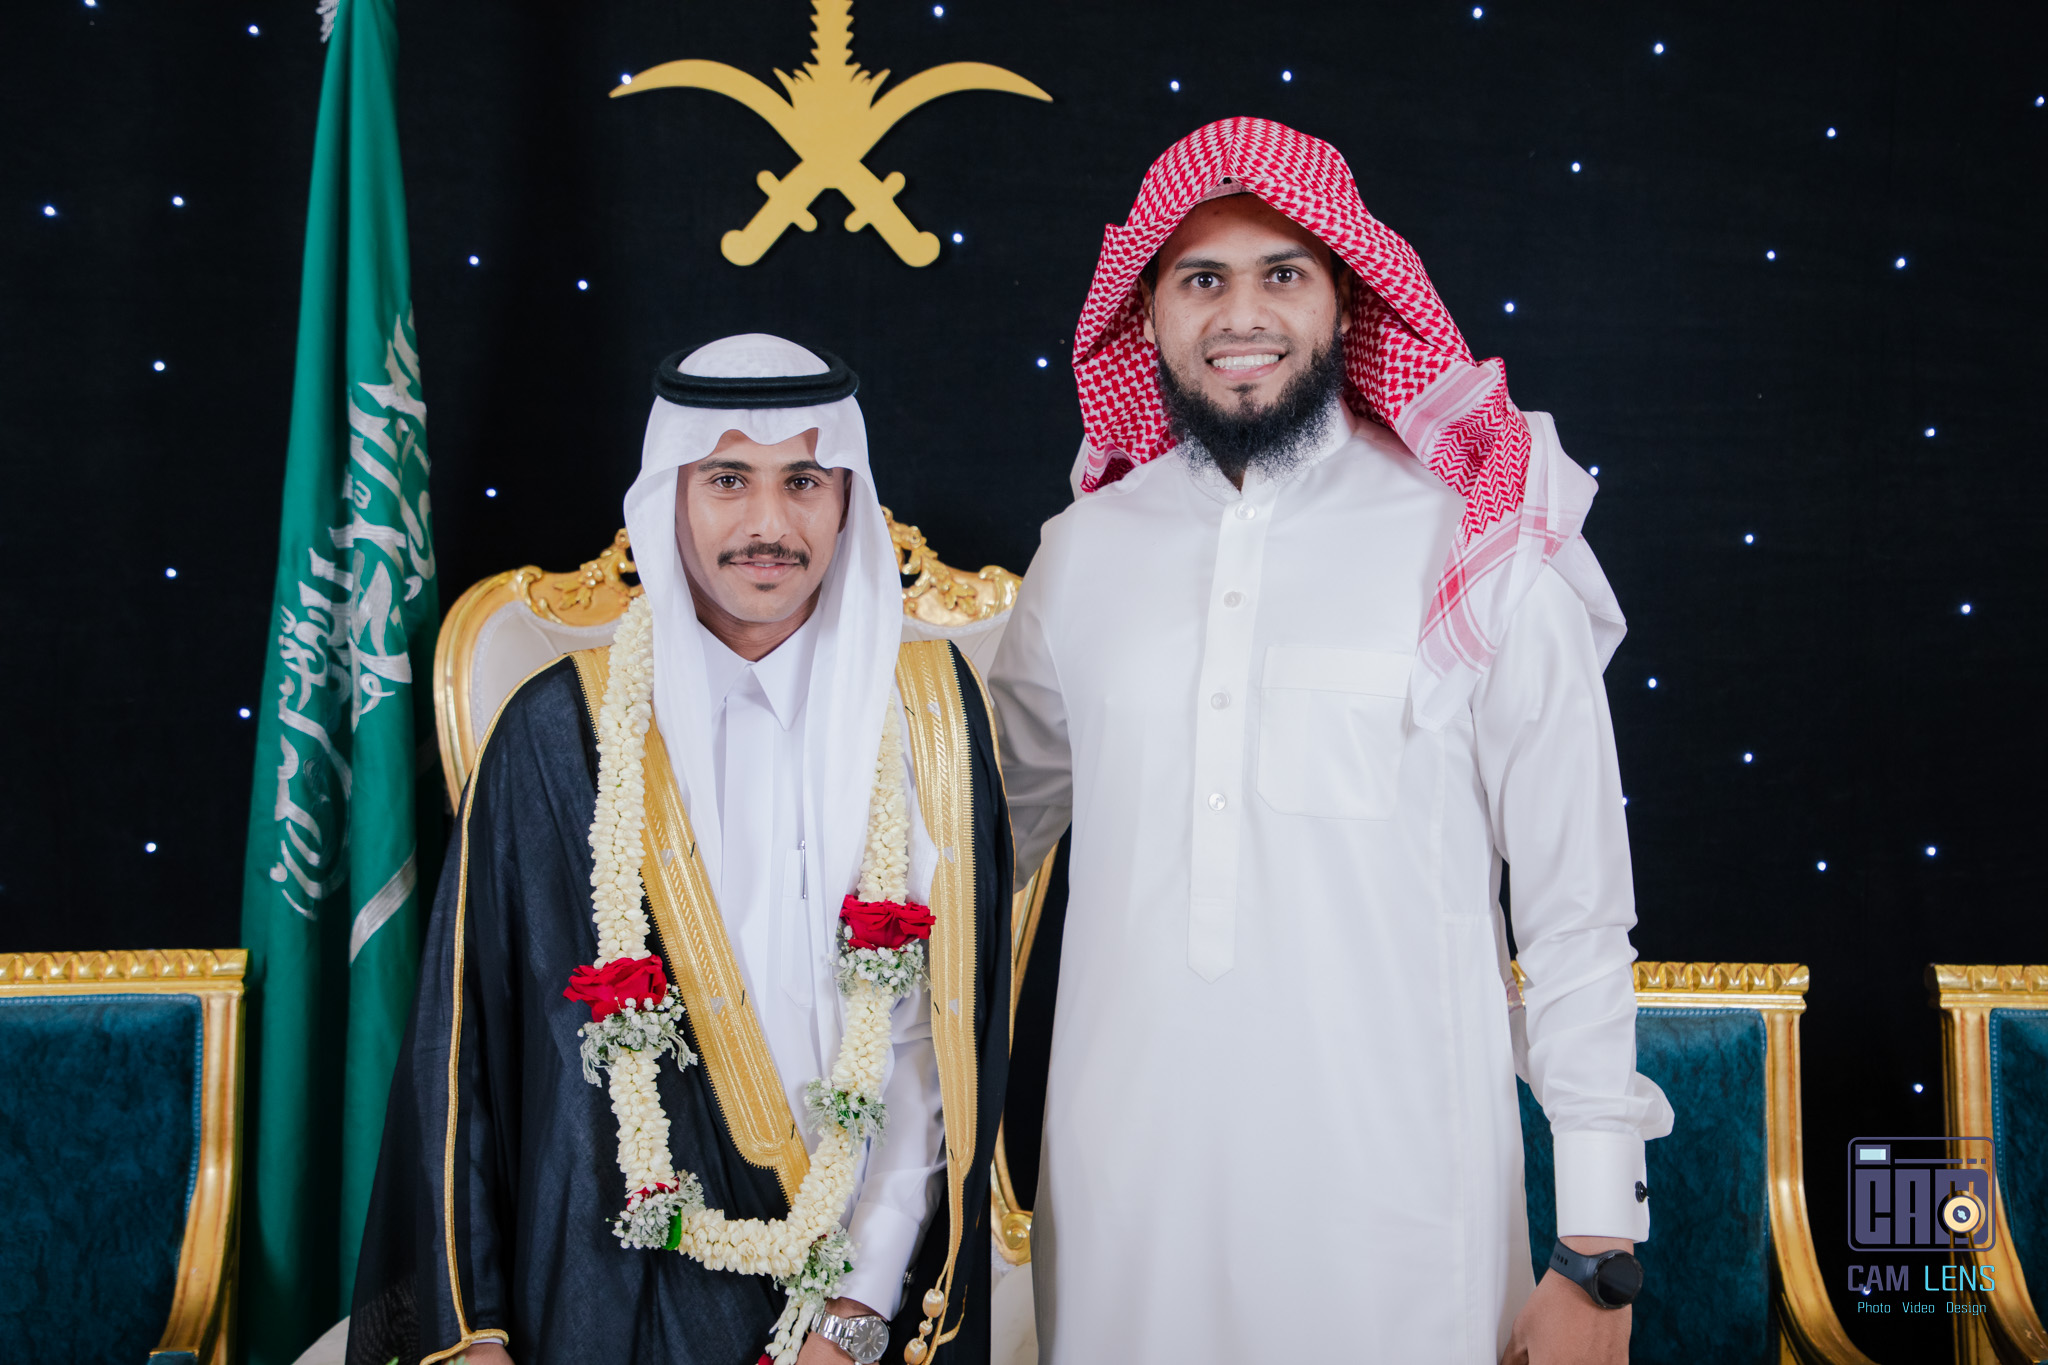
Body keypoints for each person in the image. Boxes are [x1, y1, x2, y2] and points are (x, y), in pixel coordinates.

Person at [986, 119, 1673, 1364]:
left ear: (1347, 299)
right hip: (1125, 1207)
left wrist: (1594, 1248)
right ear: (1146, 314)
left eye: (1281, 274)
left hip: (1397, 1208)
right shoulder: (1080, 558)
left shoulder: (1478, 541)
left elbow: (1576, 914)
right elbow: (976, 854)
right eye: (1200, 279)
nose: (1239, 315)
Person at [349, 335, 1010, 1365]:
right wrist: (473, 1335)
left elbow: (935, 1056)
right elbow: (467, 1054)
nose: (768, 524)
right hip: (604, 1301)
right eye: (727, 480)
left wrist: (855, 1317)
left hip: (864, 1307)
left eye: (803, 481)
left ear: (847, 500)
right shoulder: (556, 736)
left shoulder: (928, 714)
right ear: (670, 497)